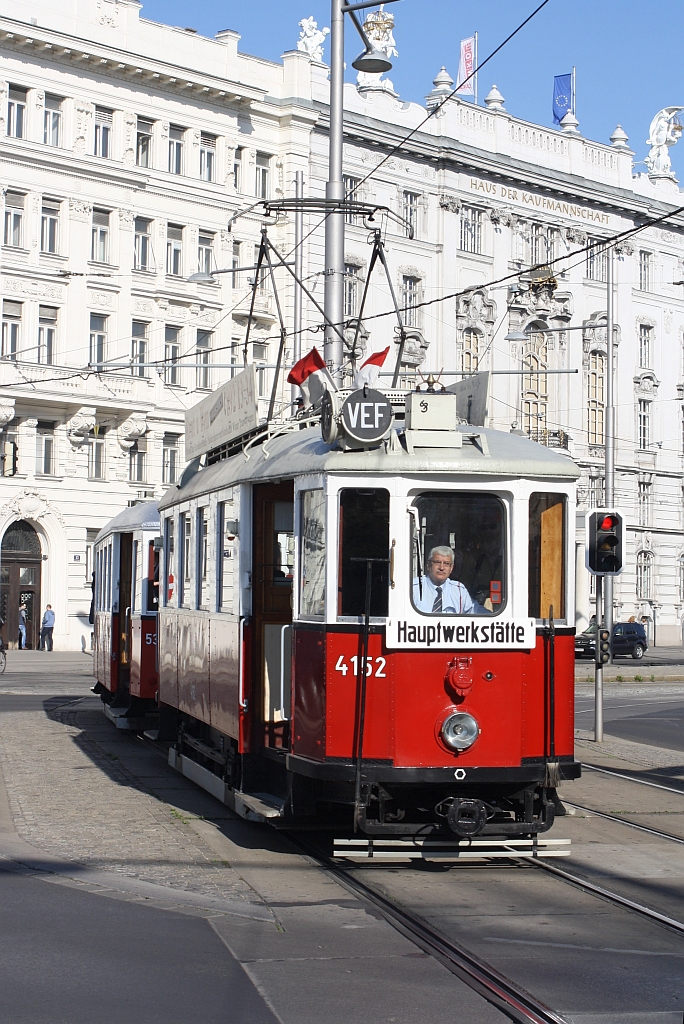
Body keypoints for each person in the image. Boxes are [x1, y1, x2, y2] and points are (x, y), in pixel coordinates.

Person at [413, 545, 488, 615]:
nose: (441, 567)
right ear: (428, 566)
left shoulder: (458, 590)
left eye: (446, 563)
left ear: (451, 568)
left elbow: (475, 610)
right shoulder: (414, 588)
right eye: (437, 562)